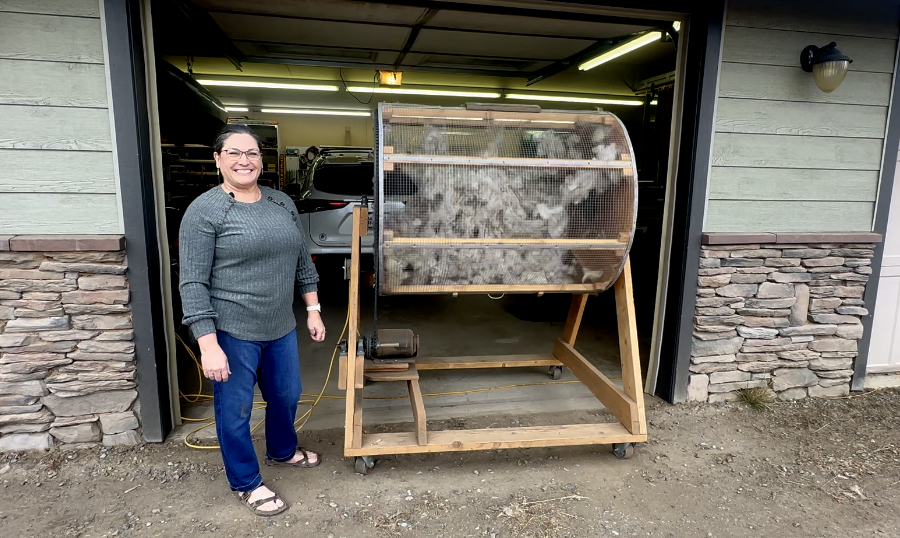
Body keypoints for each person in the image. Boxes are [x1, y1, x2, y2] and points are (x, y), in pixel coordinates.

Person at [178, 123, 325, 517]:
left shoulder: (281, 203)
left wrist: (312, 308)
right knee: (236, 410)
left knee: (286, 394)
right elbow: (192, 282)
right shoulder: (205, 211)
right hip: (232, 329)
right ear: (218, 159)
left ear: (263, 160)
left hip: (280, 325)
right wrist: (208, 345)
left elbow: (301, 258)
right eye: (234, 153)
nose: (245, 161)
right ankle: (246, 481)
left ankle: (281, 451)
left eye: (253, 154)